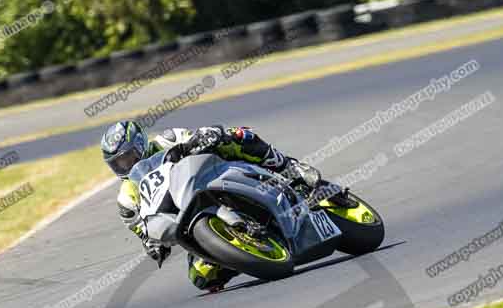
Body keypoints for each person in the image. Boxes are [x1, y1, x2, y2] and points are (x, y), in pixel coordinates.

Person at [101, 120, 344, 292]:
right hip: (188, 217)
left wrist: (205, 136)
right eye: (119, 163)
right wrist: (152, 244)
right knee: (202, 278)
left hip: (212, 174)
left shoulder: (167, 139)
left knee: (236, 137)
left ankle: (291, 169)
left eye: (129, 156)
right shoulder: (126, 199)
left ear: (140, 143)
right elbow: (142, 233)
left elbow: (194, 136)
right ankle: (250, 251)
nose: (127, 165)